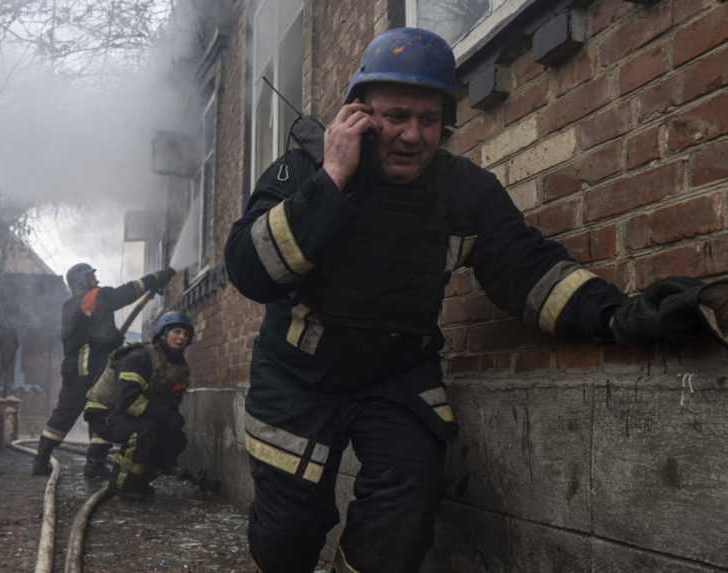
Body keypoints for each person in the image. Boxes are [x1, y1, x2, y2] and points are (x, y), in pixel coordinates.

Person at [224, 27, 727, 573]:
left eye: (429, 119)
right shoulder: (302, 170)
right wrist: (331, 179)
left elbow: (527, 272)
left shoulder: (463, 191)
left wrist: (619, 315)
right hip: (299, 374)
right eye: (396, 116)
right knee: (286, 535)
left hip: (394, 374)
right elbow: (249, 272)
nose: (413, 135)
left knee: (403, 514)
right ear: (359, 114)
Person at [32, 263, 176, 478]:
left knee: (65, 414)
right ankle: (94, 465)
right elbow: (124, 294)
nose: (96, 280)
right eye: (91, 276)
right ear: (82, 281)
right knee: (102, 410)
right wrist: (156, 277)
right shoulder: (91, 297)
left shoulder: (73, 304)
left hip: (76, 367)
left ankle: (41, 460)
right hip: (88, 367)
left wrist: (111, 339)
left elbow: (94, 332)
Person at [83, 311, 193, 500]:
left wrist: (172, 419)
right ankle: (123, 486)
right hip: (104, 411)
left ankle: (141, 480)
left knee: (175, 438)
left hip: (133, 411)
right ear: (162, 334)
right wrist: (163, 415)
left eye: (185, 334)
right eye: (176, 332)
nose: (181, 337)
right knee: (142, 431)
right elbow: (127, 401)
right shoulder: (139, 357)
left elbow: (169, 401)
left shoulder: (178, 366)